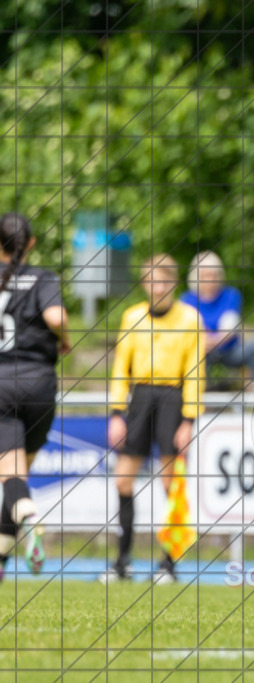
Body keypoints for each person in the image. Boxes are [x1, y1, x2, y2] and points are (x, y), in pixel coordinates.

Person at [103, 254, 204, 584]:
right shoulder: (132, 316)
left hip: (172, 400)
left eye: (163, 281)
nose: (157, 287)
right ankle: (122, 562)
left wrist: (189, 419)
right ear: (145, 284)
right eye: (151, 281)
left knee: (169, 483)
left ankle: (168, 564)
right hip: (140, 398)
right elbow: (121, 368)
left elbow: (194, 372)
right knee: (123, 480)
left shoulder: (190, 319)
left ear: (173, 283)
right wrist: (117, 413)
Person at [0, 213, 71, 582]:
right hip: (40, 386)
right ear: (30, 243)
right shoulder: (42, 278)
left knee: (11, 479)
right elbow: (57, 317)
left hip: (2, 387)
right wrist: (65, 337)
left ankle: (29, 517)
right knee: (16, 475)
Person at [180, 251, 254, 386]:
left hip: (230, 350)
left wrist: (214, 340)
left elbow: (230, 326)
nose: (210, 279)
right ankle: (200, 394)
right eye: (205, 275)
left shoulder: (231, 295)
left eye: (213, 275)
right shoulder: (186, 299)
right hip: (202, 352)